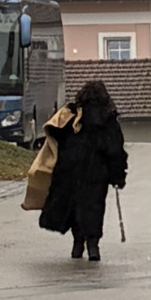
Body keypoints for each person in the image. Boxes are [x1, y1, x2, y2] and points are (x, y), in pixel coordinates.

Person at [38, 80, 128, 262]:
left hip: (71, 169)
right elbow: (115, 149)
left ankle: (78, 243)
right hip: (97, 173)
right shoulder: (108, 120)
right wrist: (118, 175)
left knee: (75, 206)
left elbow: (57, 134)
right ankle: (93, 245)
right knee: (94, 207)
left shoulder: (72, 116)